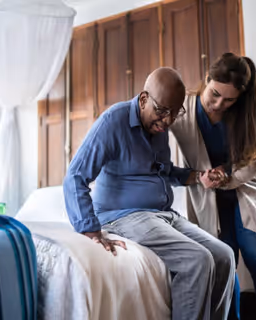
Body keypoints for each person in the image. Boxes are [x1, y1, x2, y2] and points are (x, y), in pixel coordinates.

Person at [63, 67, 235, 320]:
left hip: (162, 214)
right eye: (162, 111)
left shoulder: (158, 129)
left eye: (175, 113)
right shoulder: (113, 122)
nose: (167, 121)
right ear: (144, 99)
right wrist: (90, 230)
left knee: (224, 256)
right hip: (123, 216)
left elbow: (164, 172)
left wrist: (198, 176)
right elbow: (75, 176)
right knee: (197, 260)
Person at [170, 53, 256, 320]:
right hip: (208, 193)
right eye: (215, 94)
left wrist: (224, 174)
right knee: (224, 262)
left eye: (229, 100)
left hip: (250, 190)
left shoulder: (249, 117)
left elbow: (255, 163)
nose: (219, 104)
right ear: (207, 79)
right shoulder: (183, 110)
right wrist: (199, 177)